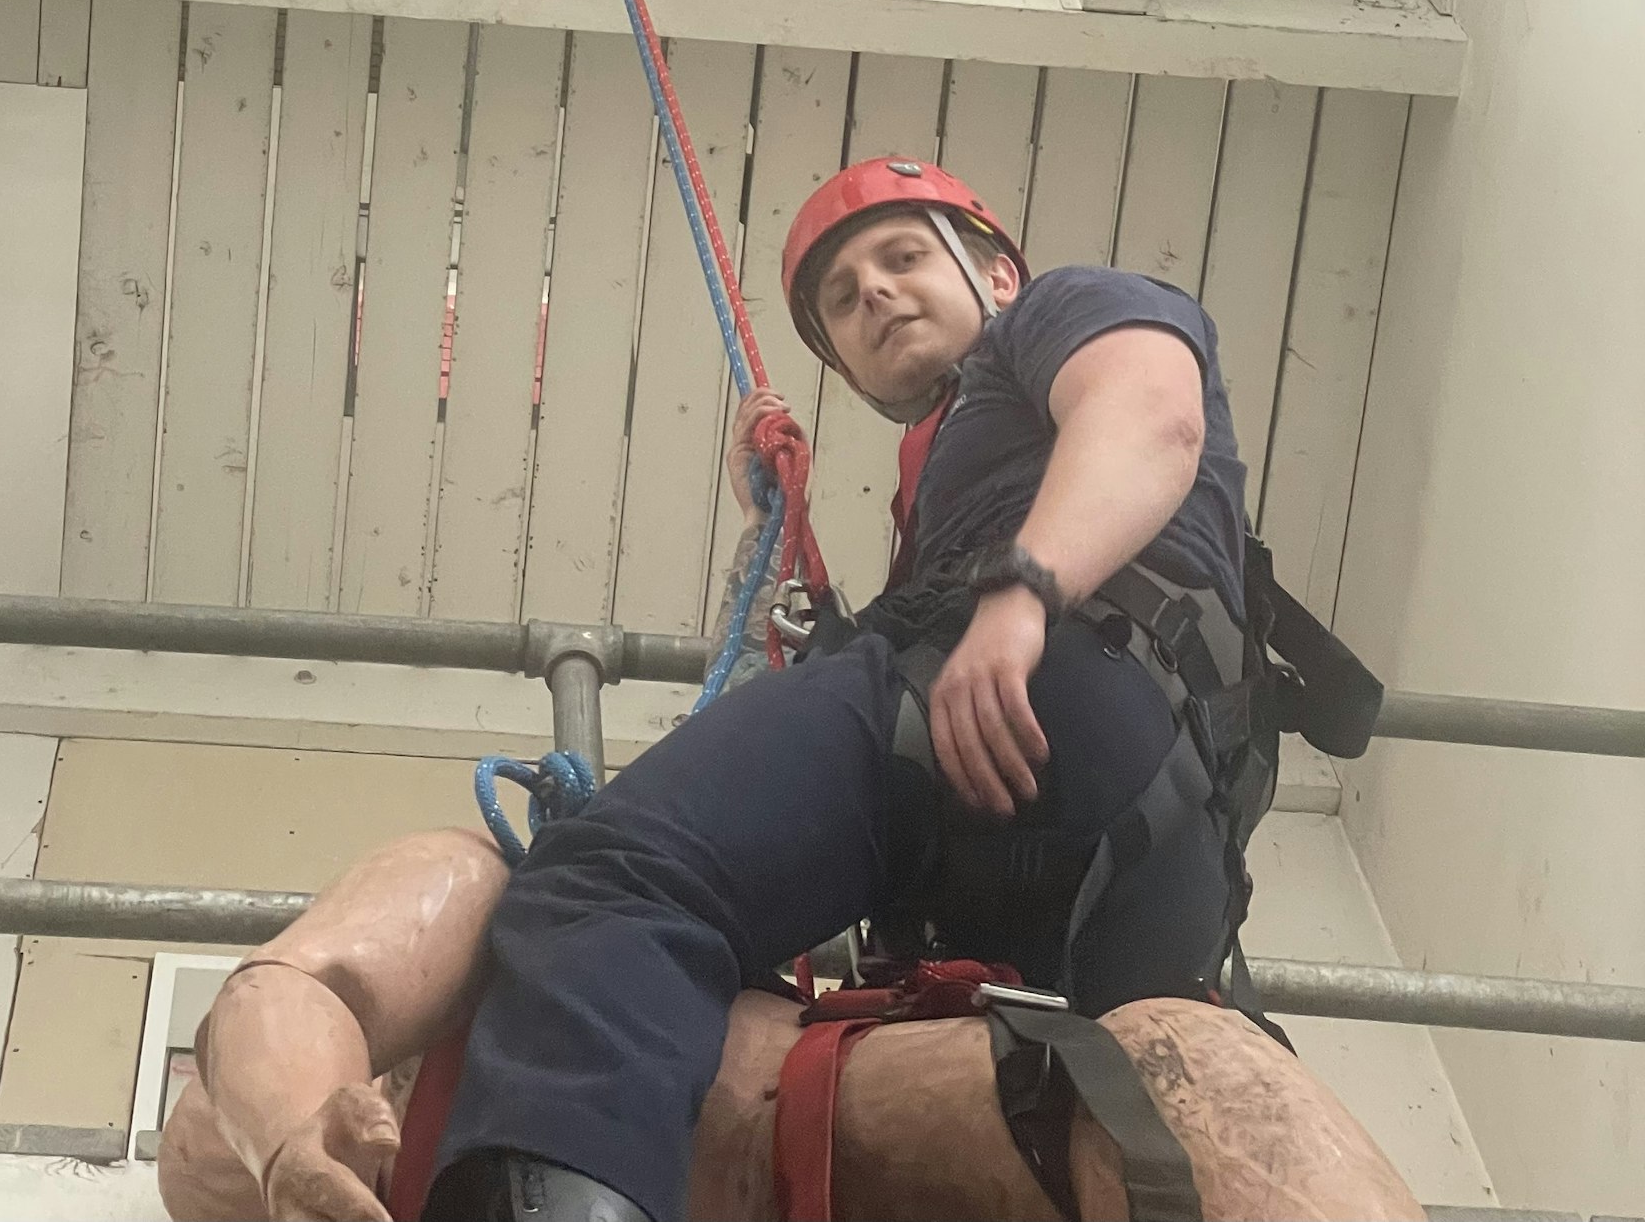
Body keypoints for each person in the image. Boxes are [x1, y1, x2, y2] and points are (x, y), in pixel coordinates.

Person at [390, 155, 1323, 1222]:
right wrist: (791, 558)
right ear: (844, 365)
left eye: (903, 257)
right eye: (841, 298)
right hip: (1145, 857)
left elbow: (1152, 416)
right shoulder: (943, 498)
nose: (872, 292)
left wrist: (1018, 598)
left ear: (1001, 277)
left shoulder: (1069, 307)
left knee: (610, 879)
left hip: (1056, 690)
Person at [160, 826, 1425, 1222]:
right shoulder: (253, 1138)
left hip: (833, 1123)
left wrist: (289, 1129)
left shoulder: (492, 898)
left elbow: (297, 989)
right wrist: (286, 1138)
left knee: (1183, 1077)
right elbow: (283, 1002)